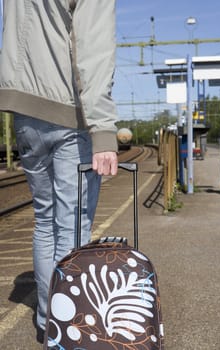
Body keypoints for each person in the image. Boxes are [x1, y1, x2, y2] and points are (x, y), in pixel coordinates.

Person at [0, 0, 119, 343]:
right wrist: (104, 129)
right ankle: (69, 332)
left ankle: (48, 321)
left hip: (24, 113)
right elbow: (94, 51)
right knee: (72, 227)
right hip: (69, 113)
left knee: (45, 222)